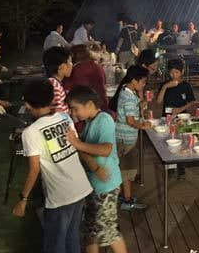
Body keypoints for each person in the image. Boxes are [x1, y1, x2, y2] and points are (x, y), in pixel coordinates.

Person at [12, 79, 92, 253]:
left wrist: (23, 199)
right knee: (72, 238)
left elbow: (34, 169)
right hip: (80, 187)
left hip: (60, 196)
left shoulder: (31, 133)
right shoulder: (65, 118)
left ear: (28, 104)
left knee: (55, 245)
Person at [65, 86, 127, 252]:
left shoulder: (104, 120)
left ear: (89, 105)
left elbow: (106, 149)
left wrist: (77, 143)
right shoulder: (90, 121)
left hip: (106, 186)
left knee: (109, 232)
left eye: (75, 108)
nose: (73, 113)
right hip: (94, 184)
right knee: (89, 231)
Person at [109, 66, 152, 210]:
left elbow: (134, 108)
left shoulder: (127, 91)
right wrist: (143, 126)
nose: (144, 85)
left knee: (124, 168)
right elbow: (130, 121)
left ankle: (124, 196)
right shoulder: (128, 96)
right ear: (134, 80)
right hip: (125, 139)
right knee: (127, 170)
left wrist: (143, 102)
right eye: (143, 81)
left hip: (124, 137)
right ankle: (127, 201)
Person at [64, 45, 108, 111]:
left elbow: (66, 88)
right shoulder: (98, 67)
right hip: (102, 105)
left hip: (85, 107)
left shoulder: (77, 69)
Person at [43, 46, 73, 114]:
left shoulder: (55, 82)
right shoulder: (54, 85)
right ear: (61, 66)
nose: (72, 65)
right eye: (70, 62)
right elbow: (57, 113)